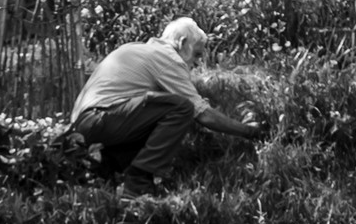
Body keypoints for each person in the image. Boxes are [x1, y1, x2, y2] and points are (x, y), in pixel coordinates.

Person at [69, 17, 260, 198]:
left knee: (162, 113)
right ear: (183, 43)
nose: (197, 62)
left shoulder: (139, 49)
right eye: (197, 54)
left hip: (84, 125)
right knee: (182, 108)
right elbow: (203, 115)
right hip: (101, 118)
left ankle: (106, 168)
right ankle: (139, 179)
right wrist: (249, 132)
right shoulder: (168, 59)